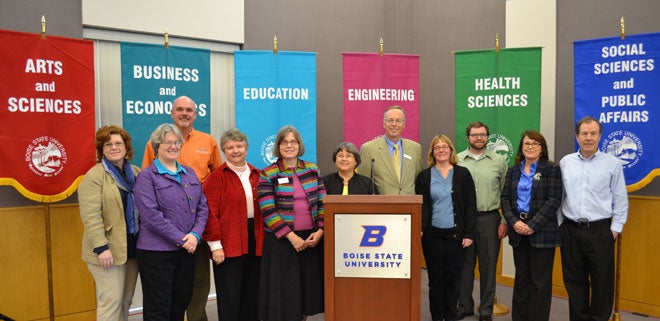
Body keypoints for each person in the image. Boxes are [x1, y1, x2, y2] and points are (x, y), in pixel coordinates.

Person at [141, 95, 221, 321]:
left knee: (192, 288)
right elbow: (149, 205)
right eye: (180, 109)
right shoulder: (150, 164)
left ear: (195, 114)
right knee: (161, 300)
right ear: (172, 112)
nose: (185, 113)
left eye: (189, 110)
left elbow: (212, 188)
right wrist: (182, 237)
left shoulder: (207, 143)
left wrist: (195, 234)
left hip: (196, 234)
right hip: (162, 242)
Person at [134, 123, 209, 321]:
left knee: (181, 299)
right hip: (156, 253)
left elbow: (202, 206)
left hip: (186, 250)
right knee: (159, 306)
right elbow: (151, 216)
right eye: (168, 142)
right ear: (157, 146)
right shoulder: (146, 177)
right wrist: (182, 239)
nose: (173, 146)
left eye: (177, 142)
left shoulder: (189, 173)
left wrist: (195, 235)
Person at [559, 116, 628, 321]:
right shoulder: (566, 162)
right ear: (577, 136)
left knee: (602, 283)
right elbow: (560, 196)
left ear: (599, 136)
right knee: (574, 282)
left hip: (600, 232)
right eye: (584, 133)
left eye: (593, 133)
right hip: (570, 231)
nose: (588, 137)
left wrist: (614, 229)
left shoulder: (612, 164)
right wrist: (561, 225)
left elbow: (620, 199)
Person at [257, 125, 326, 321]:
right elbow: (268, 211)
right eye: (284, 142)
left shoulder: (312, 169)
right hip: (283, 242)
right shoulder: (268, 173)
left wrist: (321, 231)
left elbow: (323, 202)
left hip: (310, 239)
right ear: (278, 146)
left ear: (299, 145)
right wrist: (292, 237)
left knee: (305, 293)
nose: (289, 145)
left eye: (293, 142)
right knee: (287, 295)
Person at [78, 125, 140, 321]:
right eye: (108, 144)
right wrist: (101, 248)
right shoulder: (94, 176)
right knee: (111, 302)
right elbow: (91, 216)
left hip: (132, 248)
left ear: (126, 147)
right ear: (102, 149)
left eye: (118, 143)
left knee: (126, 301)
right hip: (107, 252)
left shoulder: (136, 173)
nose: (114, 147)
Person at [202, 128, 264, 321]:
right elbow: (210, 214)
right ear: (223, 150)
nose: (235, 150)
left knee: (252, 293)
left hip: (255, 241)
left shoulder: (258, 174)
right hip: (228, 243)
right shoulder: (215, 178)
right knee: (230, 294)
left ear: (246, 147)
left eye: (239, 146)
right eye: (230, 147)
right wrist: (215, 246)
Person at [500, 130, 562, 321]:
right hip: (518, 231)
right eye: (527, 144)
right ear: (521, 147)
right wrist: (514, 222)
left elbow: (553, 200)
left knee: (540, 282)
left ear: (542, 148)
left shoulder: (551, 169)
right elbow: (505, 199)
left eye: (535, 144)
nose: (530, 147)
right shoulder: (513, 170)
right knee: (522, 279)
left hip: (542, 233)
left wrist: (532, 225)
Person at [415, 134, 477, 321]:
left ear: (451, 150)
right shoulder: (424, 176)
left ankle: (450, 316)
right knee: (435, 280)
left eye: (445, 146)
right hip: (432, 236)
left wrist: (469, 233)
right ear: (432, 152)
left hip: (456, 236)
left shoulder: (462, 174)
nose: (441, 150)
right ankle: (437, 317)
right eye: (437, 147)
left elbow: (470, 205)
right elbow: (422, 205)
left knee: (453, 280)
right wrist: (420, 227)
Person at [457, 121, 509, 321]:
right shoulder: (458, 160)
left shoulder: (499, 161)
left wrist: (504, 219)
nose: (479, 138)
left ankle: (486, 309)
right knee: (464, 266)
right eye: (474, 134)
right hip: (464, 221)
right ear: (468, 137)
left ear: (487, 136)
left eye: (483, 134)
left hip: (490, 219)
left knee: (488, 267)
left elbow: (506, 193)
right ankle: (465, 306)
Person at [358, 105, 424, 195]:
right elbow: (363, 185)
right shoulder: (368, 149)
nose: (394, 124)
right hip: (382, 207)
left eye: (398, 120)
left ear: (404, 124)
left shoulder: (415, 148)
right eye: (390, 120)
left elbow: (419, 182)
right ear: (384, 124)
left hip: (409, 207)